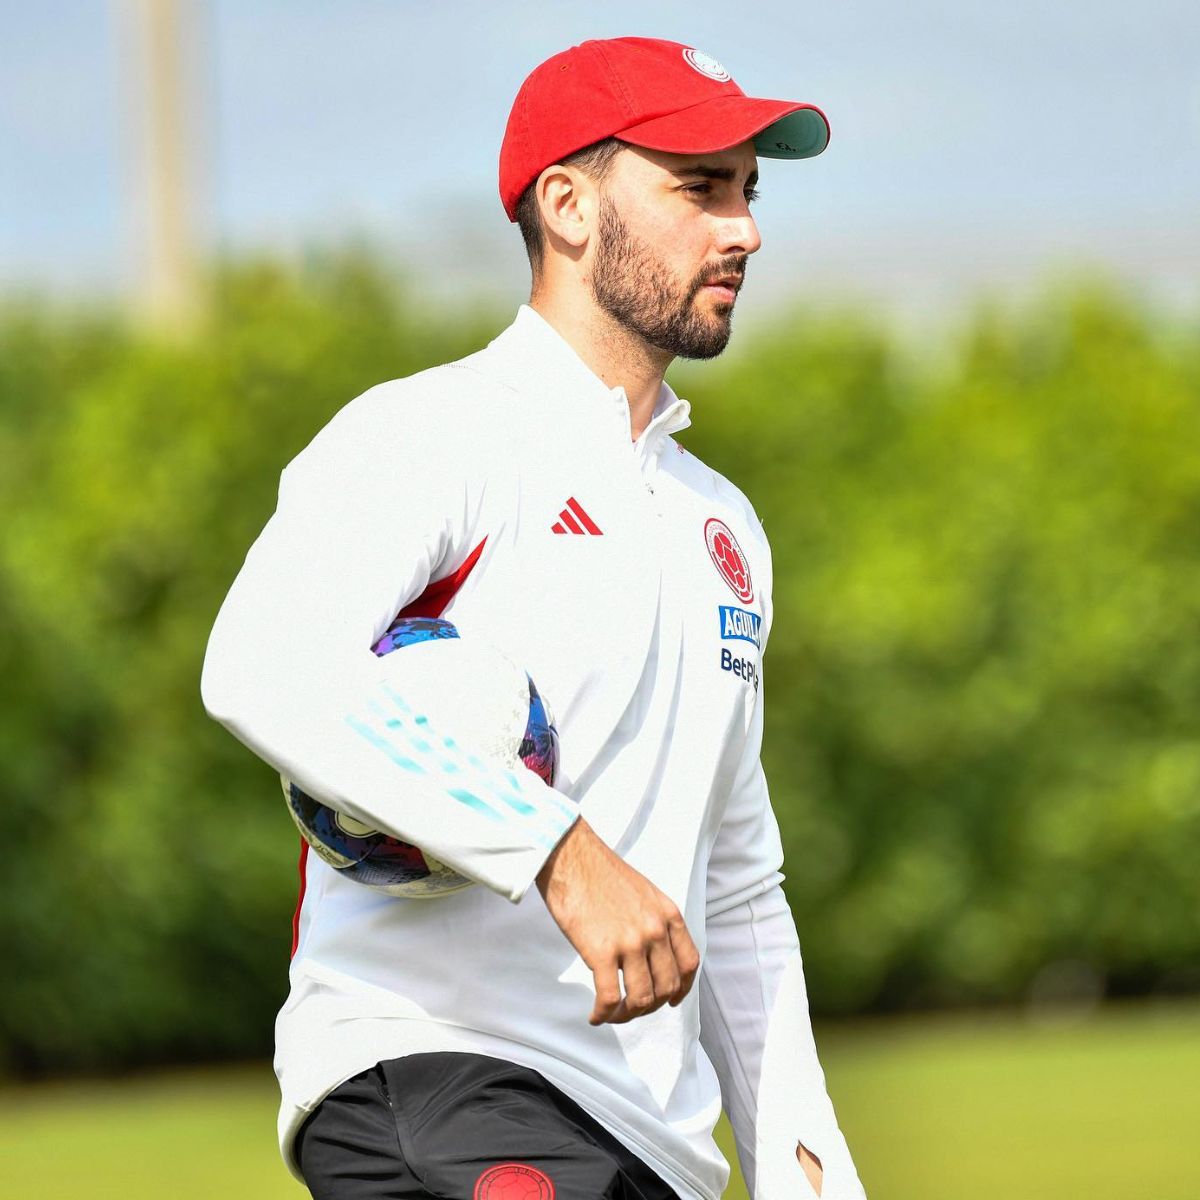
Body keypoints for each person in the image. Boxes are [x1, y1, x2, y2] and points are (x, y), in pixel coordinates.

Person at [201, 35, 866, 1200]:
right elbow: (263, 661)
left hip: (652, 1144)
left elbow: (736, 882)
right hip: (439, 1077)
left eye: (750, 191)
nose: (744, 229)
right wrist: (554, 850)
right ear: (567, 204)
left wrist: (805, 1162)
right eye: (699, 186)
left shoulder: (726, 529)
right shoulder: (431, 433)